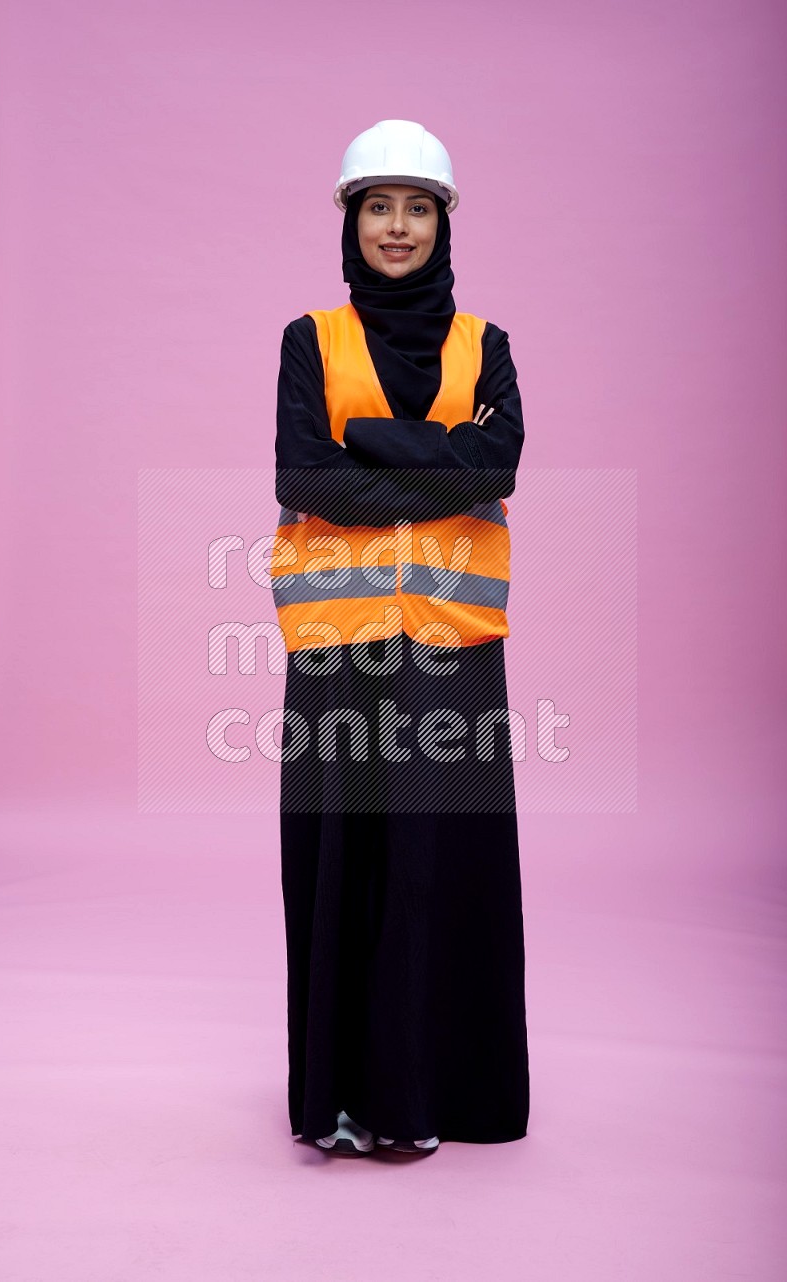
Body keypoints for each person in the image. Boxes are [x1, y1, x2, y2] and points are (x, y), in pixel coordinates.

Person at [272, 120, 529, 1157]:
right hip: (339, 650)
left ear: (442, 224)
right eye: (376, 205)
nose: (395, 226)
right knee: (343, 859)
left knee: (441, 865)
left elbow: (495, 470)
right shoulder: (309, 339)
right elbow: (301, 478)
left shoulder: (487, 346)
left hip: (454, 649)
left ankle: (437, 1099)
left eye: (415, 207)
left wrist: (365, 448)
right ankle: (340, 1101)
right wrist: (437, 460)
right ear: (350, 218)